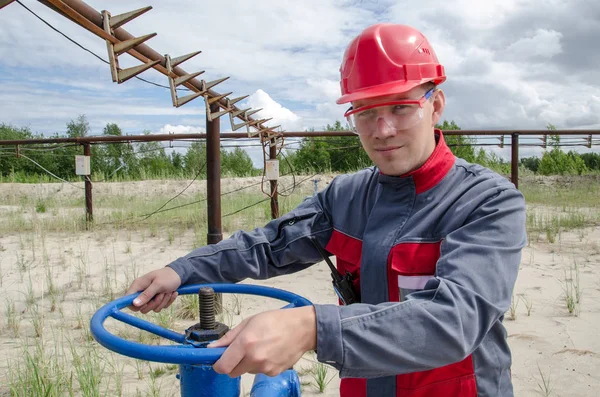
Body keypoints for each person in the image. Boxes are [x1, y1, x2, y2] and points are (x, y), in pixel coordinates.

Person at [125, 23, 527, 397]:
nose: (382, 130)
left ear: (435, 105)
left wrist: (312, 328)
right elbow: (269, 245)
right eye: (366, 112)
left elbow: (455, 320)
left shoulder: (485, 201)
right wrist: (182, 270)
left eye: (401, 107)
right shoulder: (345, 197)